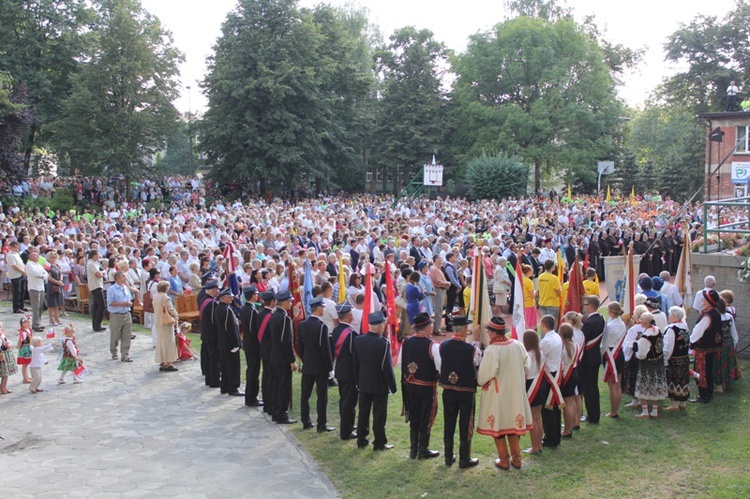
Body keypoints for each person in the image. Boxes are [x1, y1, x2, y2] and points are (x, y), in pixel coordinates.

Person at [477, 316, 532, 470]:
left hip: (498, 395)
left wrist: (482, 381)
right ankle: (517, 459)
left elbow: (483, 376)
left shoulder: (492, 350)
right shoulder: (517, 345)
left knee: (499, 427)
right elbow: (527, 366)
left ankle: (504, 460)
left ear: (494, 333)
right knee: (512, 425)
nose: (487, 333)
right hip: (515, 393)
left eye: (489, 331)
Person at [353, 311, 397, 451]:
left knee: (363, 412)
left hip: (364, 382)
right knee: (379, 415)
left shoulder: (358, 340)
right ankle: (379, 442)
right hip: (379, 385)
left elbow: (355, 364)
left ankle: (361, 439)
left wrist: (357, 381)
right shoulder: (382, 343)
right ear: (379, 327)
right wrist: (393, 386)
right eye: (383, 324)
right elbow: (386, 368)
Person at [439, 315, 479, 468]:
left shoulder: (443, 345)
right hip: (465, 391)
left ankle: (448, 457)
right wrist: (476, 340)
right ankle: (464, 458)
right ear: (463, 330)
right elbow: (477, 361)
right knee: (465, 423)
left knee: (448, 422)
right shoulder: (470, 349)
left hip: (448, 389)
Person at [401, 312, 441, 460]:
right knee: (426, 416)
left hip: (410, 385)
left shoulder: (407, 341)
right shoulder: (433, 345)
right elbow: (439, 366)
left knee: (414, 415)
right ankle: (423, 449)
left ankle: (413, 449)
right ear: (428, 327)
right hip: (426, 387)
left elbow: (401, 361)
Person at [298, 296, 335, 432]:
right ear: (319, 308)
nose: (324, 309)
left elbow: (300, 346)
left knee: (305, 395)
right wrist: (330, 368)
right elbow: (325, 350)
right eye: (323, 307)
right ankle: (321, 424)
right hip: (320, 367)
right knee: (321, 397)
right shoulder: (321, 327)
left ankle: (306, 421)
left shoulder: (302, 325)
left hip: (308, 365)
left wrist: (305, 359)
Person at [690, 290, 724, 404]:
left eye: (704, 299)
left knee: (701, 371)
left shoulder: (707, 316)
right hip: (711, 348)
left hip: (703, 349)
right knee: (708, 370)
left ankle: (704, 395)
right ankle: (708, 393)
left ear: (709, 301)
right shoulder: (715, 313)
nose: (702, 300)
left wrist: (691, 342)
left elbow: (697, 332)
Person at [331, 303, 359, 441]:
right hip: (350, 373)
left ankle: (346, 425)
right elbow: (355, 356)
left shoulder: (336, 331)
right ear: (349, 316)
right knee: (349, 402)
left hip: (340, 370)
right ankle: (346, 431)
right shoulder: (351, 334)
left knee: (344, 400)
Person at [269, 290, 297, 424]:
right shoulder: (284, 318)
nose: (291, 303)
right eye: (290, 301)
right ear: (285, 302)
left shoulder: (274, 316)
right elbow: (286, 341)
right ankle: (281, 414)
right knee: (283, 387)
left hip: (275, 356)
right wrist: (292, 360)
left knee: (276, 386)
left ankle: (276, 412)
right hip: (282, 359)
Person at [634, 312, 668, 418]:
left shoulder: (645, 337)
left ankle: (645, 412)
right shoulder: (657, 331)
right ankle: (655, 411)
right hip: (658, 362)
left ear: (644, 322)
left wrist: (635, 350)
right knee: (655, 385)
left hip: (647, 364)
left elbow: (641, 354)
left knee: (644, 385)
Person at [580, 295, 605, 424]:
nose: (583, 307)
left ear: (591, 306)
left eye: (584, 305)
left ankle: (592, 415)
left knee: (588, 389)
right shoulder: (600, 318)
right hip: (595, 356)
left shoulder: (589, 323)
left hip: (588, 359)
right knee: (592, 387)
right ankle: (594, 414)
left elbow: (582, 340)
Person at [539, 314, 563, 448]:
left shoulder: (545, 341)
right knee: (554, 409)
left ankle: (550, 438)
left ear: (543, 325)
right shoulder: (557, 336)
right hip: (556, 373)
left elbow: (539, 358)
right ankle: (555, 436)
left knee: (548, 409)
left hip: (549, 376)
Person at [522, 329, 547, 456]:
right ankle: (539, 445)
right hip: (540, 385)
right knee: (538, 417)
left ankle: (535, 447)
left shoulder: (527, 355)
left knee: (532, 419)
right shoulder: (540, 353)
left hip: (531, 385)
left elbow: (524, 373)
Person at [216, 288, 243, 396]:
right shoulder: (226, 310)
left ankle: (225, 386)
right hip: (229, 344)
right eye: (229, 297)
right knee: (232, 366)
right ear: (223, 298)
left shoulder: (219, 308)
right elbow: (231, 328)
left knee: (225, 366)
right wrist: (236, 343)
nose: (232, 299)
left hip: (223, 343)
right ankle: (233, 387)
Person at [601, 302, 626, 418]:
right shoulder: (622, 323)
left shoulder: (610, 326)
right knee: (618, 384)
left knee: (613, 386)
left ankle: (613, 411)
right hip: (619, 353)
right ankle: (615, 410)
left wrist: (601, 354)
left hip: (611, 354)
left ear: (611, 311)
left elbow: (605, 343)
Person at [663, 306, 689, 411]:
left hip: (674, 359)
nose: (669, 316)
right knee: (683, 379)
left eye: (670, 315)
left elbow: (668, 346)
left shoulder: (671, 329)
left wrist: (665, 360)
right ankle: (682, 402)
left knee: (673, 379)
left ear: (674, 316)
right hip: (684, 358)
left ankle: (674, 404)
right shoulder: (685, 327)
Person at [240, 286, 263, 407]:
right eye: (256, 294)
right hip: (252, 345)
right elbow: (253, 329)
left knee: (252, 370)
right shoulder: (251, 310)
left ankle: (251, 396)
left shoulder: (245, 308)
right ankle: (251, 398)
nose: (257, 295)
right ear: (252, 295)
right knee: (253, 372)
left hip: (249, 343)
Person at [622, 305, 647, 409]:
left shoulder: (634, 329)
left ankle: (635, 400)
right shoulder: (649, 327)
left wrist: (625, 355)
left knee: (634, 377)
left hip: (634, 357)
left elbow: (627, 344)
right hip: (646, 356)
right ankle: (643, 399)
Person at [558, 323, 580, 438]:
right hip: (574, 372)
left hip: (566, 374)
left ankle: (567, 429)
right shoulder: (575, 344)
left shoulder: (562, 346)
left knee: (567, 403)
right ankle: (571, 424)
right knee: (571, 401)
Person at [107, 271, 133, 362]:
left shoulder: (125, 288)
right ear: (117, 278)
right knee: (115, 335)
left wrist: (129, 303)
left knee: (127, 335)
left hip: (126, 314)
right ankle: (114, 352)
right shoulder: (111, 289)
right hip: (116, 315)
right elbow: (110, 303)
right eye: (123, 276)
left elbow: (129, 298)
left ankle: (125, 355)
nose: (125, 277)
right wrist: (123, 304)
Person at [257, 290, 277, 415]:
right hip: (271, 350)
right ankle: (270, 404)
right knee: (271, 378)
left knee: (266, 377)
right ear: (273, 301)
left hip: (263, 349)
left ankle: (266, 402)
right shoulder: (271, 316)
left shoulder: (260, 314)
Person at [715, 289, 739, 392]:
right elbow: (733, 332)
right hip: (728, 343)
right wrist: (734, 344)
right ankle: (725, 384)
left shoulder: (715, 317)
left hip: (718, 344)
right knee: (727, 363)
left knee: (718, 364)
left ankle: (719, 385)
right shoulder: (729, 316)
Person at [153, 281, 179, 372]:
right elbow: (170, 308)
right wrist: (176, 315)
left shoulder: (155, 297)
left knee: (160, 342)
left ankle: (162, 361)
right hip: (166, 322)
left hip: (158, 321)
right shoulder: (165, 297)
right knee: (168, 342)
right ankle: (168, 363)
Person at [199, 280, 221, 388]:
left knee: (209, 357)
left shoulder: (204, 299)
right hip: (212, 334)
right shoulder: (212, 303)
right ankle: (214, 380)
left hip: (205, 332)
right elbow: (214, 320)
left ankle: (209, 378)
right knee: (214, 358)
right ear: (213, 290)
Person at [25, 249, 48, 333]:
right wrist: (41, 275)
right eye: (36, 256)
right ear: (31, 257)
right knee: (36, 307)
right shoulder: (29, 264)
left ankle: (38, 322)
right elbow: (36, 273)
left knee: (40, 307)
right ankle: (36, 324)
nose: (38, 257)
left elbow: (46, 274)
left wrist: (42, 275)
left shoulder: (38, 264)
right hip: (34, 287)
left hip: (41, 287)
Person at [86, 250, 106, 332]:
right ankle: (97, 324)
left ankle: (96, 325)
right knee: (102, 306)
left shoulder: (95, 263)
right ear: (94, 255)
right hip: (95, 286)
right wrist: (104, 271)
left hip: (98, 285)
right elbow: (99, 274)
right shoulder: (91, 264)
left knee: (96, 306)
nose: (99, 256)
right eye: (97, 254)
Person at [537, 260, 561, 328]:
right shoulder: (554, 278)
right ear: (553, 267)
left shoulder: (540, 276)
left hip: (542, 302)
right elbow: (559, 293)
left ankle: (543, 338)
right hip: (552, 303)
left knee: (544, 324)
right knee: (551, 325)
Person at [7, 241, 27, 313]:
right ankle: (16, 307)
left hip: (21, 275)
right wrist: (22, 271)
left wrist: (25, 270)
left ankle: (22, 306)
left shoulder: (17, 254)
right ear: (11, 247)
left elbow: (21, 263)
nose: (17, 248)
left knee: (22, 291)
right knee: (17, 292)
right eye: (15, 247)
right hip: (15, 275)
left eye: (18, 247)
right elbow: (14, 265)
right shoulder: (10, 255)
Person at [45, 251, 65, 327]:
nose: (54, 259)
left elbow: (61, 273)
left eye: (55, 257)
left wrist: (60, 280)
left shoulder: (57, 265)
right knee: (51, 304)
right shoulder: (47, 265)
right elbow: (49, 277)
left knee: (56, 303)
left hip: (58, 285)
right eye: (52, 257)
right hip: (51, 285)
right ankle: (51, 319)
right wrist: (57, 282)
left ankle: (57, 318)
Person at [16, 317, 33, 383]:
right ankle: (25, 378)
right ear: (22, 324)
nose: (29, 323)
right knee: (25, 364)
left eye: (29, 322)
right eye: (27, 322)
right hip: (25, 348)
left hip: (28, 347)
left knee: (27, 363)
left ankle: (26, 376)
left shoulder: (28, 329)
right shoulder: (22, 332)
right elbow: (21, 340)